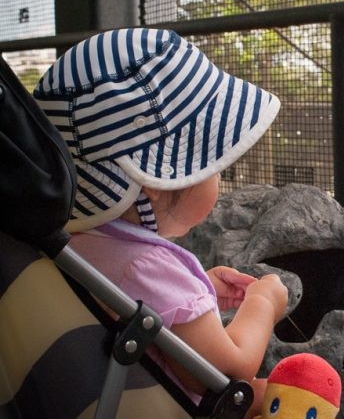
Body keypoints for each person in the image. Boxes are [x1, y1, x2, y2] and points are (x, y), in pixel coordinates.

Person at [34, 27, 289, 415]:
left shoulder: (72, 245)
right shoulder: (147, 268)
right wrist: (264, 302)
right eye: (212, 167)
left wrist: (193, 291)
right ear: (156, 180)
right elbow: (226, 371)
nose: (219, 177)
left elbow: (135, 300)